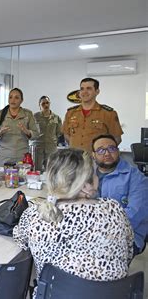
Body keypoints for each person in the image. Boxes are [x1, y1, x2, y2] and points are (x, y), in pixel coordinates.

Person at [13, 148, 133, 296]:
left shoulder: (35, 215)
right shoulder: (114, 209)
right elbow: (128, 253)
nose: (97, 178)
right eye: (95, 174)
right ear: (85, 185)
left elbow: (20, 239)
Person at [92, 134, 148, 255]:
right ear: (93, 155)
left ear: (118, 151)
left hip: (127, 236)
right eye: (101, 150)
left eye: (112, 148)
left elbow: (135, 213)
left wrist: (102, 232)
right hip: (92, 233)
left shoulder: (135, 177)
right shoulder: (86, 175)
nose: (107, 154)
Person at [62, 77, 123, 152]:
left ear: (97, 91)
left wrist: (102, 153)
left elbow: (117, 139)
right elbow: (67, 136)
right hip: (76, 160)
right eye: (82, 89)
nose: (84, 92)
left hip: (96, 160)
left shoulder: (108, 113)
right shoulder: (70, 113)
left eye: (89, 88)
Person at [0, 88, 39, 167]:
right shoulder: (0, 114)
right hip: (4, 157)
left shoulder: (28, 114)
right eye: (10, 97)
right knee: (3, 179)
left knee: (22, 179)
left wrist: (27, 132)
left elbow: (36, 134)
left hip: (22, 157)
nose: (13, 100)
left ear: (21, 100)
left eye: (16, 97)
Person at [33, 96, 62, 171]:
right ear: (39, 105)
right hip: (38, 148)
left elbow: (59, 133)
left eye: (47, 103)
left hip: (51, 148)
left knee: (51, 170)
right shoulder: (35, 117)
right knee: (37, 170)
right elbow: (32, 131)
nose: (46, 105)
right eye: (43, 104)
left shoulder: (56, 117)